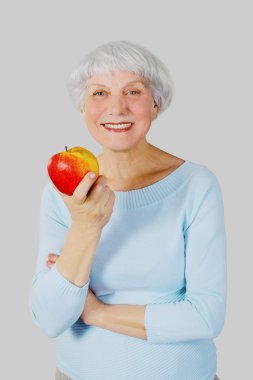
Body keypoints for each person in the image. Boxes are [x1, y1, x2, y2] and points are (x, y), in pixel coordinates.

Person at [28, 40, 226, 380]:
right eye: (99, 93)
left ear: (155, 103)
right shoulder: (64, 192)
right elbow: (49, 318)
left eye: (133, 92)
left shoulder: (196, 185)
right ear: (83, 105)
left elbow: (206, 316)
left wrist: (97, 313)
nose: (116, 108)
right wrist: (86, 226)